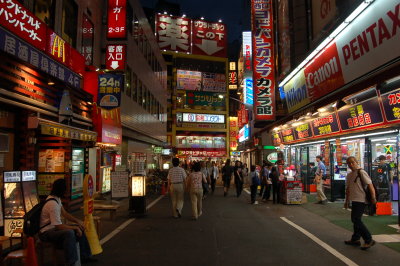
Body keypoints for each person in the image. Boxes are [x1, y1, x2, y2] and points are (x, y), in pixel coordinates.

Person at [39, 179, 95, 265]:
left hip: (53, 229)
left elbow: (65, 213)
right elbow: (58, 226)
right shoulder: (52, 204)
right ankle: (71, 262)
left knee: (79, 228)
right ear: (61, 190)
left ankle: (85, 256)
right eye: (65, 189)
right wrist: (75, 227)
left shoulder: (56, 199)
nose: (66, 191)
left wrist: (77, 222)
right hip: (46, 233)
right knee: (69, 233)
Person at [344, 156, 377, 250]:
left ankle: (368, 239)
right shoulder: (350, 175)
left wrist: (373, 197)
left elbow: (370, 185)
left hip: (361, 199)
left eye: (352, 162)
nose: (351, 164)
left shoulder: (361, 172)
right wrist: (346, 201)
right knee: (356, 219)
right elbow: (348, 189)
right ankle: (355, 239)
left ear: (356, 162)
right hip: (354, 199)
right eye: (349, 163)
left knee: (356, 219)